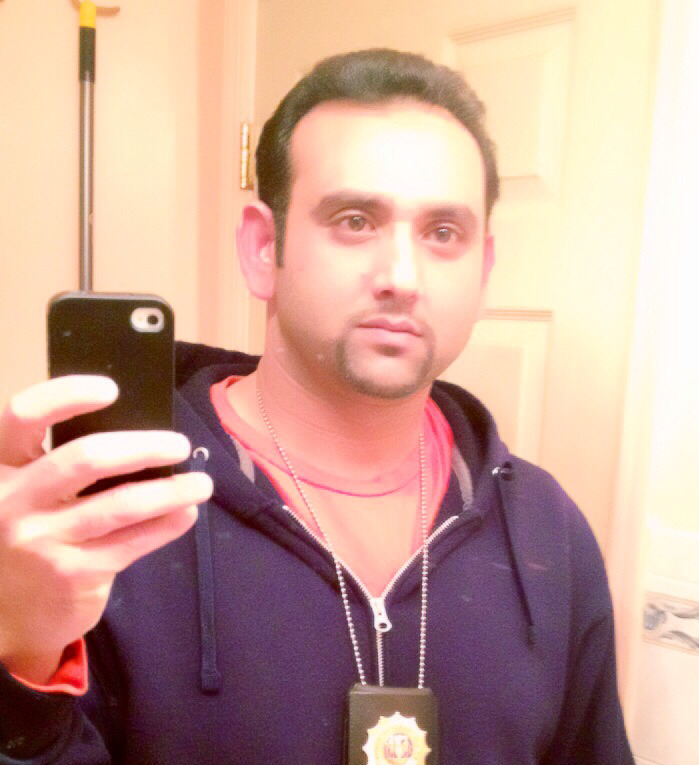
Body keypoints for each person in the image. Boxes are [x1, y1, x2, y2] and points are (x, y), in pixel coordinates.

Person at [0, 49, 634, 764]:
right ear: (261, 248)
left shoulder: (548, 530)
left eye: (442, 233)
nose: (401, 276)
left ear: (482, 268)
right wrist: (17, 659)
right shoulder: (108, 518)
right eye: (355, 220)